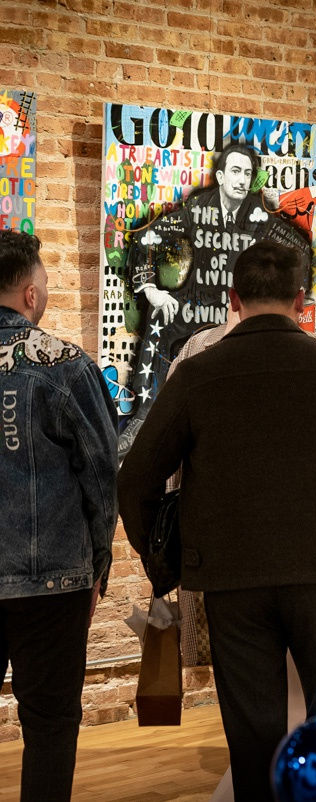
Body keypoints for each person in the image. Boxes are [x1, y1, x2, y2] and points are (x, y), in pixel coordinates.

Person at [117, 241, 316, 800]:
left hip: (231, 576)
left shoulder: (198, 374)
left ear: (234, 298)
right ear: (301, 299)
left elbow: (136, 478)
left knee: (253, 737)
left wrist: (163, 553)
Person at [0, 230, 118, 801]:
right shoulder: (63, 364)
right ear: (29, 293)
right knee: (49, 724)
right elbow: (101, 472)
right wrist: (98, 563)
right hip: (51, 582)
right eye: (44, 281)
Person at [118, 143, 312, 454]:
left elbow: (300, 249)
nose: (242, 180)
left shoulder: (258, 216)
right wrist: (152, 290)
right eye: (235, 171)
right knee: (159, 317)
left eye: (247, 173)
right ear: (220, 177)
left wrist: (285, 301)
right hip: (195, 306)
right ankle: (144, 416)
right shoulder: (198, 209)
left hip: (238, 311)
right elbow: (146, 238)